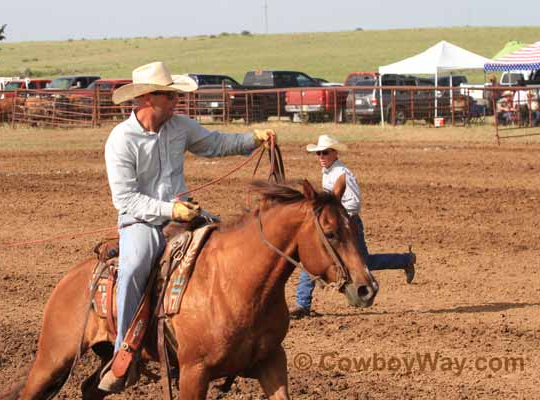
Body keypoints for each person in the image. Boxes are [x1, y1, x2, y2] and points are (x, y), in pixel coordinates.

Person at [99, 61, 275, 392]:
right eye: (170, 96)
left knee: (228, 245)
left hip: (184, 212)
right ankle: (125, 353)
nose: (176, 101)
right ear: (149, 98)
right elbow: (126, 199)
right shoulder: (121, 140)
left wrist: (252, 139)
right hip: (142, 221)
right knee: (135, 266)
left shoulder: (180, 126)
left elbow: (214, 143)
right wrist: (170, 209)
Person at [290, 135, 416, 319]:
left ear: (335, 153)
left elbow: (355, 203)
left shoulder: (343, 174)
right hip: (336, 224)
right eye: (318, 153)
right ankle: (302, 303)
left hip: (347, 224)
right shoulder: (329, 171)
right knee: (317, 258)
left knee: (363, 262)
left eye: (325, 152)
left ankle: (405, 260)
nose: (321, 156)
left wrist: (337, 218)